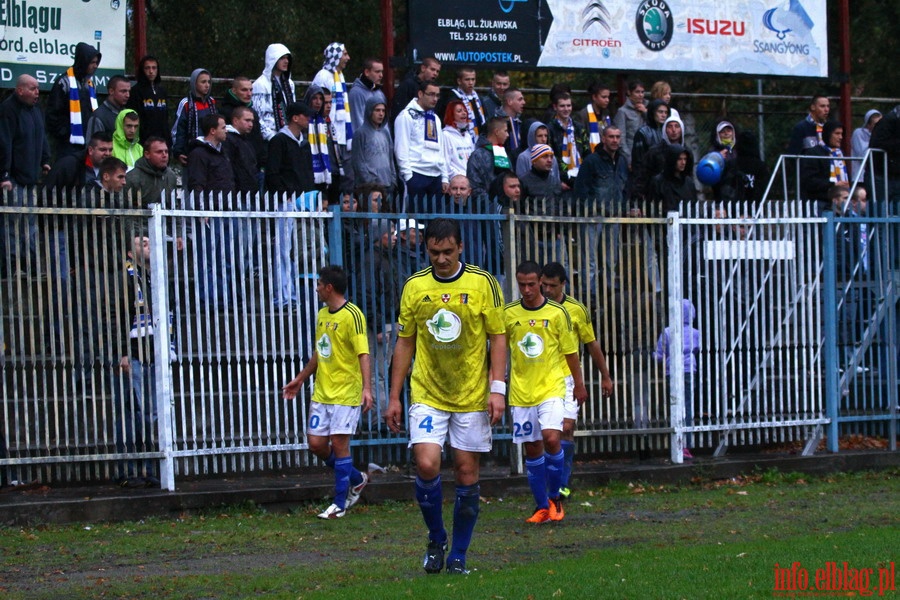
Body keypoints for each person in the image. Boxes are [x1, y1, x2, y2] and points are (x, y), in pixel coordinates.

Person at [385, 218, 506, 575]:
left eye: (448, 252)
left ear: (460, 248)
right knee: (426, 464)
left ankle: (459, 556)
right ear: (427, 249)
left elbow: (498, 336)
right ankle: (437, 538)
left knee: (467, 473)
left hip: (471, 393)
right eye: (435, 252)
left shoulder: (483, 283)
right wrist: (394, 395)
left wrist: (497, 388)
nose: (441, 259)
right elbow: (405, 341)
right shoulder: (414, 286)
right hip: (428, 391)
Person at [282, 265, 372, 519]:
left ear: (329, 288)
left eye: (319, 283)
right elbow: (320, 352)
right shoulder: (323, 314)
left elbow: (363, 354)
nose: (317, 287)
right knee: (316, 444)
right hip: (322, 392)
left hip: (346, 393)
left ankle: (339, 505)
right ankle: (358, 479)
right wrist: (300, 379)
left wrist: (367, 388)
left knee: (340, 446)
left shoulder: (353, 315)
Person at [505, 261, 587, 522]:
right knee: (532, 448)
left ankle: (555, 498)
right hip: (521, 392)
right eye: (521, 284)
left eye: (531, 284)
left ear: (540, 281)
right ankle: (541, 506)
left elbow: (570, 352)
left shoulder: (557, 313)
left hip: (552, 387)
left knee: (552, 437)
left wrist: (580, 384)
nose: (526, 289)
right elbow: (496, 349)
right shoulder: (508, 314)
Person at [540, 262, 613, 498]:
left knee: (567, 428)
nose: (547, 290)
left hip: (569, 377)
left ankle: (562, 484)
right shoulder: (534, 307)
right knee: (547, 434)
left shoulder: (576, 309)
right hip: (540, 378)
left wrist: (606, 376)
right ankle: (548, 483)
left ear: (563, 284)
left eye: (552, 285)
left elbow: (591, 342)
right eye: (545, 285)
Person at [115, 231, 169, 486]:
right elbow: (119, 314)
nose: (147, 244)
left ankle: (150, 469)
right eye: (141, 242)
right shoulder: (126, 278)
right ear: (129, 253)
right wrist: (122, 352)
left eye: (149, 241)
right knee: (134, 413)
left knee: (152, 415)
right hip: (135, 353)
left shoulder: (154, 276)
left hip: (154, 353)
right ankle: (130, 470)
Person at [266, 101, 317, 309]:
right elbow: (272, 172)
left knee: (300, 249)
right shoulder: (279, 141)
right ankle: (283, 295)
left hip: (303, 202)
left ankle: (297, 293)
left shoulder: (304, 143)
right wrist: (284, 194)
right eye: (305, 116)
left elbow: (307, 173)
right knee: (283, 250)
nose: (309, 120)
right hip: (286, 202)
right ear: (295, 117)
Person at [0, 74, 51, 276]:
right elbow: (4, 144)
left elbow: (41, 137)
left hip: (31, 178)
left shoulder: (36, 111)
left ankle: (31, 266)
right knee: (13, 225)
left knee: (29, 227)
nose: (37, 92)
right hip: (13, 179)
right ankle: (12, 267)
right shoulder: (7, 110)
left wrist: (45, 159)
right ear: (20, 90)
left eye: (38, 88)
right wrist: (4, 175)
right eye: (32, 88)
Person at [187, 113, 235, 308]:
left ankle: (223, 297)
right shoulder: (199, 153)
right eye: (223, 127)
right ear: (212, 130)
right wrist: (201, 209)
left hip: (224, 210)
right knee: (208, 258)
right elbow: (197, 182)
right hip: (210, 212)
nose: (227, 131)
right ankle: (208, 298)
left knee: (224, 257)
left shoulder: (223, 152)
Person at [360, 219, 400, 428]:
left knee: (383, 373)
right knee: (378, 374)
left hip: (388, 320)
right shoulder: (371, 260)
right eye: (391, 233)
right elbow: (368, 294)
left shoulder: (385, 258)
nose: (395, 237)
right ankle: (377, 422)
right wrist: (376, 326)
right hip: (380, 322)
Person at [653, 299, 701, 460]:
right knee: (687, 406)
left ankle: (676, 443)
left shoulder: (668, 332)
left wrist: (654, 357)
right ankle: (686, 444)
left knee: (674, 405)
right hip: (689, 371)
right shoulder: (695, 333)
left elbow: (659, 355)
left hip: (672, 372)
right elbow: (697, 349)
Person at [394, 81, 449, 212]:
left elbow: (440, 149)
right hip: (416, 173)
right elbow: (401, 148)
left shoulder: (435, 118)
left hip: (435, 175)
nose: (435, 99)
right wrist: (408, 177)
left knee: (434, 224)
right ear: (420, 94)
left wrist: (444, 176)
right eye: (431, 94)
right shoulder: (406, 116)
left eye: (437, 95)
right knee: (414, 222)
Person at [46, 42, 101, 159]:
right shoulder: (64, 82)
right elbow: (52, 114)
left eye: (96, 62)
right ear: (83, 61)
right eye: (92, 62)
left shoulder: (91, 84)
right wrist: (65, 133)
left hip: (89, 144)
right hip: (68, 145)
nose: (95, 66)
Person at [313, 42, 353, 168]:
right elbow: (316, 104)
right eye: (345, 54)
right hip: (327, 134)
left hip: (342, 134)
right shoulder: (323, 76)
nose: (348, 58)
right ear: (335, 56)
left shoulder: (340, 76)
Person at [172, 69, 218, 166]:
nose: (207, 85)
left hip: (211, 152)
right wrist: (178, 151)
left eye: (209, 82)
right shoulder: (186, 103)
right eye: (203, 82)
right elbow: (178, 130)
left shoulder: (211, 102)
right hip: (191, 153)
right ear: (194, 83)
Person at [350, 98, 396, 196]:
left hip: (387, 184)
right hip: (369, 188)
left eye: (383, 111)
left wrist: (393, 180)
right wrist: (370, 183)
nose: (381, 114)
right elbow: (358, 162)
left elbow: (390, 158)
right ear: (370, 111)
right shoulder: (360, 133)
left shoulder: (385, 133)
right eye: (377, 110)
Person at [800, 120, 848, 214]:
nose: (840, 137)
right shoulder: (814, 153)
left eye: (842, 134)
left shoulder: (839, 154)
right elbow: (809, 180)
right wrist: (833, 184)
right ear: (828, 134)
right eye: (837, 133)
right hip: (820, 202)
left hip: (840, 202)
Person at [252, 44, 296, 142]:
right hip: (269, 139)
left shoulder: (289, 84)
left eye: (287, 58)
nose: (286, 61)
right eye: (282, 58)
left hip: (289, 135)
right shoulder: (260, 84)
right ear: (273, 59)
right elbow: (257, 116)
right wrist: (272, 137)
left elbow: (293, 109)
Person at [126, 55, 171, 146]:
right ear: (142, 70)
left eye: (154, 68)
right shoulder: (136, 91)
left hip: (162, 139)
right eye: (147, 68)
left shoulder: (162, 91)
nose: (151, 71)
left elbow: (165, 117)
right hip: (143, 141)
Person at [630, 99, 669, 200]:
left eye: (665, 112)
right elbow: (638, 162)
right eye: (660, 112)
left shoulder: (666, 132)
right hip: (647, 179)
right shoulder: (643, 132)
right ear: (652, 112)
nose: (663, 115)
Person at [547, 92, 586, 189]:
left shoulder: (579, 128)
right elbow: (549, 157)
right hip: (561, 178)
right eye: (562, 106)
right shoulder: (549, 129)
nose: (566, 109)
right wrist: (557, 181)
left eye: (568, 105)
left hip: (581, 176)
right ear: (555, 107)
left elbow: (587, 151)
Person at [467, 117, 511, 201]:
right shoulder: (477, 155)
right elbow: (475, 186)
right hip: (486, 208)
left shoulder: (504, 153)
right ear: (497, 132)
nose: (508, 135)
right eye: (505, 131)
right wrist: (492, 203)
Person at [125, 137, 178, 206]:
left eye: (166, 151)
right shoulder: (132, 178)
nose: (164, 155)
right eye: (159, 152)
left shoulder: (171, 176)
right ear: (147, 154)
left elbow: (174, 206)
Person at [391, 57, 441, 123]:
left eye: (437, 71)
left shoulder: (434, 89)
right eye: (432, 69)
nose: (435, 73)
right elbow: (398, 109)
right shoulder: (408, 85)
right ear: (423, 68)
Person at [649, 144, 696, 213]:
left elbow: (693, 205)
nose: (683, 162)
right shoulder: (658, 181)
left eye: (685, 159)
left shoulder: (689, 182)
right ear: (672, 159)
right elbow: (653, 206)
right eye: (679, 159)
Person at [869, 104, 900, 204]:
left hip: (893, 173)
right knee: (881, 208)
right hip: (881, 173)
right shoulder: (887, 122)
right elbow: (878, 143)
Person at [444, 67, 486, 141]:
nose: (471, 83)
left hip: (480, 140)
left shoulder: (478, 98)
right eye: (467, 79)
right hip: (459, 139)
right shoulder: (453, 98)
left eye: (473, 79)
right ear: (459, 81)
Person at [612, 80, 647, 169]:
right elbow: (621, 137)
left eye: (642, 92)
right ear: (629, 92)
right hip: (631, 154)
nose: (640, 95)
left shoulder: (648, 107)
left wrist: (645, 112)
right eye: (637, 92)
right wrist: (629, 159)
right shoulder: (622, 111)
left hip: (646, 154)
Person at [348, 58, 387, 135]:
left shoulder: (379, 92)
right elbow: (358, 122)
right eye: (377, 72)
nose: (381, 75)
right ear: (367, 72)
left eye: (382, 71)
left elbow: (385, 124)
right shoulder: (356, 93)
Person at [85, 76, 131, 140]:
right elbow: (92, 146)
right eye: (123, 91)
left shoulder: (128, 113)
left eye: (129, 91)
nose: (127, 95)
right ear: (111, 91)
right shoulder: (99, 117)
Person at [575, 80, 613, 154]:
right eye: (604, 97)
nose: (607, 100)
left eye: (608, 97)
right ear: (594, 97)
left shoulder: (606, 114)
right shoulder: (583, 115)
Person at [441, 100, 475, 179]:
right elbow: (446, 163)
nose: (464, 113)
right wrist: (459, 177)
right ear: (451, 115)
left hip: (471, 180)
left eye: (465, 111)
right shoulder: (446, 135)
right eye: (459, 111)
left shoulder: (468, 136)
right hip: (456, 181)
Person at [850, 109, 882, 182]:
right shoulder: (859, 133)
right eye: (876, 124)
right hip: (861, 177)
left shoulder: (882, 136)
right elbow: (864, 155)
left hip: (877, 178)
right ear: (868, 124)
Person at [500, 87, 528, 163]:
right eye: (520, 99)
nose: (524, 102)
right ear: (509, 101)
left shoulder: (521, 122)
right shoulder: (496, 123)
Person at [397, 218, 426, 282]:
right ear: (403, 235)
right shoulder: (399, 257)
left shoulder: (415, 253)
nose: (420, 234)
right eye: (415, 231)